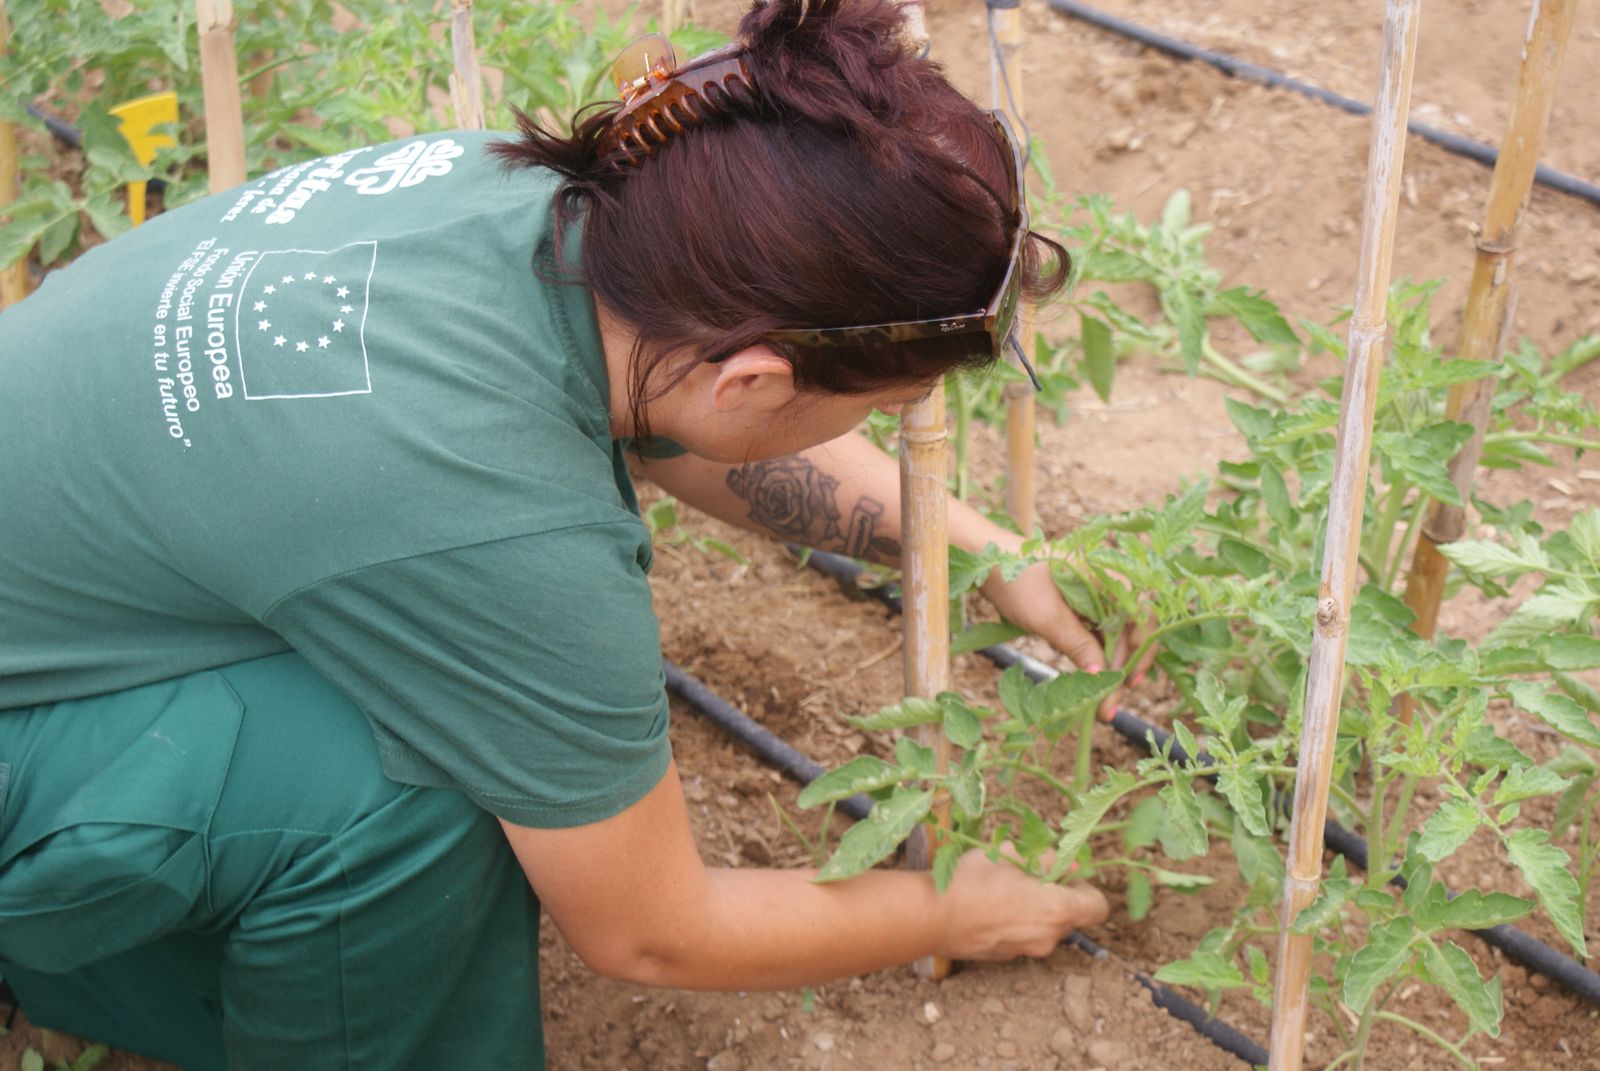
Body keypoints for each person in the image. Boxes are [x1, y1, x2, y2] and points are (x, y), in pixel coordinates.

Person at [0, 1, 1122, 1066]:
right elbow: (651, 930)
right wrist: (940, 907)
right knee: (406, 786)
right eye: (877, 407)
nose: (878, 425)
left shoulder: (532, 204)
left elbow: (679, 410)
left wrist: (973, 547)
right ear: (752, 381)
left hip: (65, 612)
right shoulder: (487, 521)